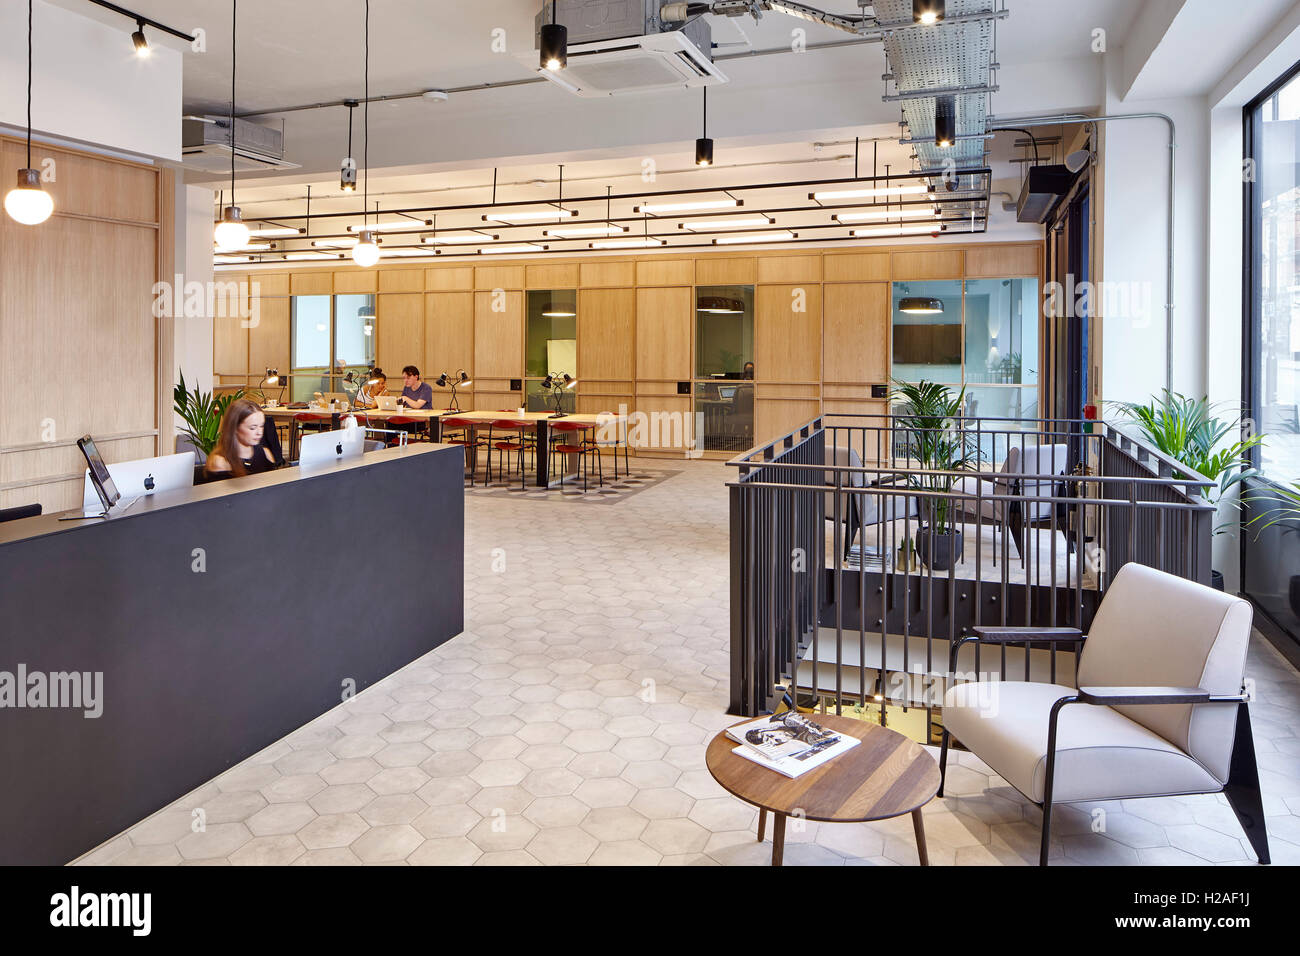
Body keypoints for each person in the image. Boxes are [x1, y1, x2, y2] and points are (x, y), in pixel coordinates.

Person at [205, 398, 281, 480]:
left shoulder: (266, 454)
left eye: (261, 426)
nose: (259, 432)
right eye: (252, 428)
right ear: (235, 428)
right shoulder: (220, 462)